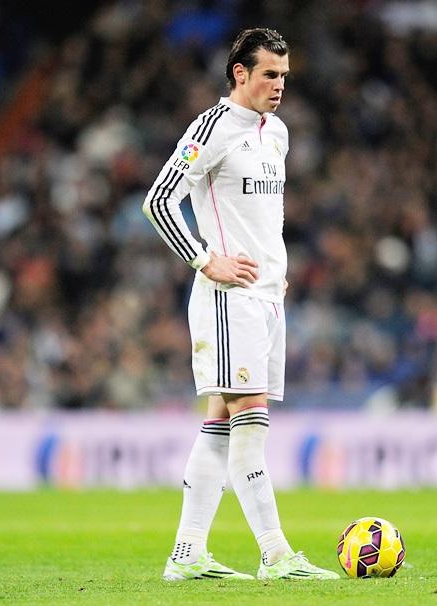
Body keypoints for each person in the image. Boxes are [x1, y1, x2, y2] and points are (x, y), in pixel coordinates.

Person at [143, 28, 339, 580]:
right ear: (240, 74)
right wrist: (206, 260)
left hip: (267, 297)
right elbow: (158, 200)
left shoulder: (276, 132)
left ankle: (187, 555)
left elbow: (262, 218)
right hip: (228, 300)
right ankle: (276, 554)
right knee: (250, 417)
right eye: (269, 75)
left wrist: (277, 272)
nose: (279, 85)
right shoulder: (211, 127)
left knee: (221, 423)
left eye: (284, 76)